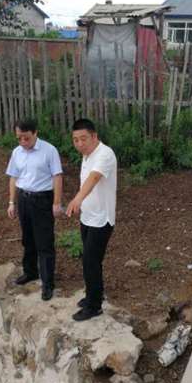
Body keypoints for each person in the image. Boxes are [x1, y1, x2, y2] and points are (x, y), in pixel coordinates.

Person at [65, 118, 117, 321]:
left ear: (94, 136)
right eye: (75, 140)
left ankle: (94, 306)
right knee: (91, 261)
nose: (79, 144)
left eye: (83, 139)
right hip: (88, 217)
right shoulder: (87, 155)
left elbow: (94, 178)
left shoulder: (105, 154)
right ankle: (93, 295)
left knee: (90, 262)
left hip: (102, 220)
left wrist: (77, 198)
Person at [6, 119, 63, 300]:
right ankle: (30, 272)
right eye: (19, 138)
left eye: (26, 138)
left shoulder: (49, 150)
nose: (23, 142)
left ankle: (47, 283)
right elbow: (13, 177)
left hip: (42, 200)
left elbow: (57, 177)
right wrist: (12, 202)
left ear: (35, 133)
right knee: (27, 239)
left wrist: (56, 203)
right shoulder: (17, 152)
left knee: (44, 242)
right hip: (24, 199)